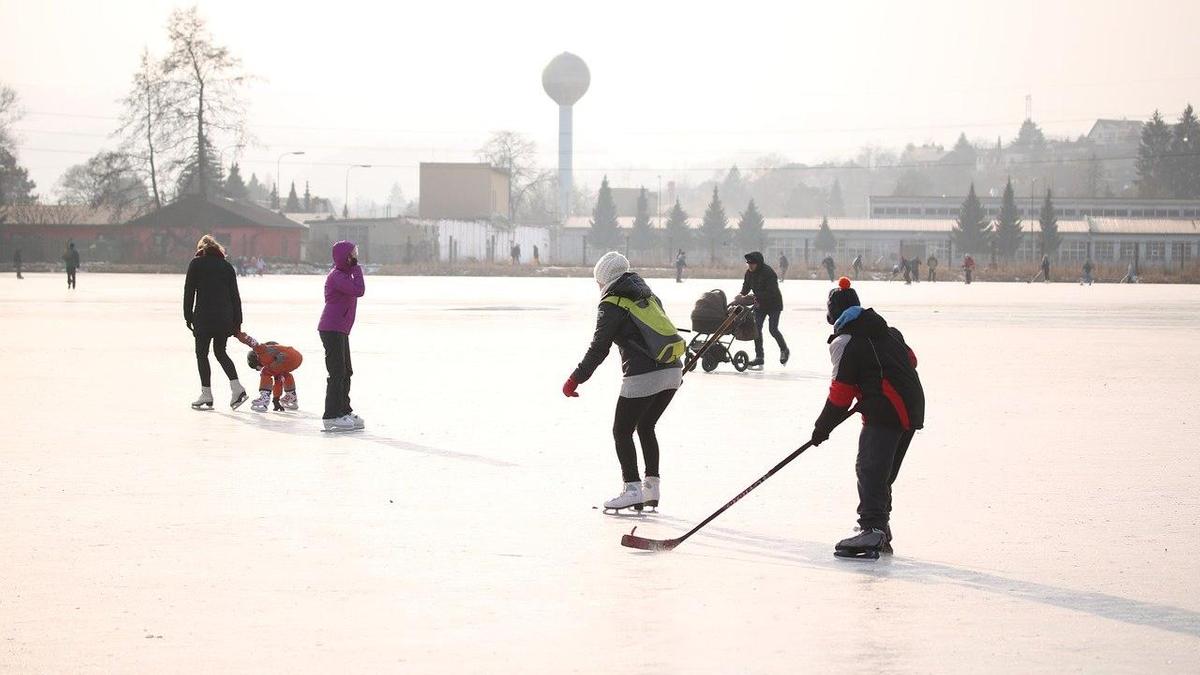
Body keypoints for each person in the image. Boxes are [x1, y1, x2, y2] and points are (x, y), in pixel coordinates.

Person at [809, 277, 924, 558]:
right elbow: (910, 360)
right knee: (881, 472)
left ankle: (872, 530)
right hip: (911, 405)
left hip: (886, 409)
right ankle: (880, 527)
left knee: (870, 469)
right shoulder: (887, 330)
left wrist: (821, 428)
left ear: (832, 314)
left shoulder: (845, 340)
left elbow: (840, 395)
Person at [563, 251, 682, 513]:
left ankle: (632, 490)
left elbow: (599, 347)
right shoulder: (647, 294)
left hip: (644, 373)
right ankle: (651, 488)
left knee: (622, 431)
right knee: (646, 426)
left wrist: (575, 378)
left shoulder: (612, 301)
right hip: (673, 370)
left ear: (604, 279)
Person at [184, 235, 247, 410]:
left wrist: (187, 316)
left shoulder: (196, 264)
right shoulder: (226, 267)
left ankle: (206, 393)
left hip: (204, 316)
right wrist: (237, 322)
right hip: (224, 318)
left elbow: (189, 292)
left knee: (202, 354)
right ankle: (237, 388)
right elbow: (235, 296)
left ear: (201, 249)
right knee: (220, 352)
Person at [319, 241, 366, 432]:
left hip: (341, 329)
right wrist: (358, 269)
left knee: (346, 371)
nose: (355, 256)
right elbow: (359, 290)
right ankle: (331, 415)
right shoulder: (338, 276)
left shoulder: (345, 274)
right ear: (344, 256)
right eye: (353, 254)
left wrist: (354, 269)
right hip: (332, 328)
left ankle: (344, 410)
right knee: (337, 372)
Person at [740, 251, 789, 367]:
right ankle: (759, 357)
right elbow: (745, 288)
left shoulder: (768, 273)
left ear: (758, 263)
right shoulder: (749, 273)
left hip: (774, 305)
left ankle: (784, 350)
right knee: (756, 329)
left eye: (752, 264)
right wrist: (740, 297)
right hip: (760, 305)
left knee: (773, 329)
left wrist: (754, 297)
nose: (750, 266)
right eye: (748, 264)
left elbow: (771, 292)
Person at [237, 331, 303, 412]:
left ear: (255, 359)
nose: (259, 369)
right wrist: (276, 400)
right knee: (284, 375)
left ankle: (264, 399)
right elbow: (278, 382)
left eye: (257, 367)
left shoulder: (261, 350)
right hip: (297, 357)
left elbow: (252, 342)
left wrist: (239, 335)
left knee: (265, 372)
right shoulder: (274, 360)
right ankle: (291, 397)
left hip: (285, 358)